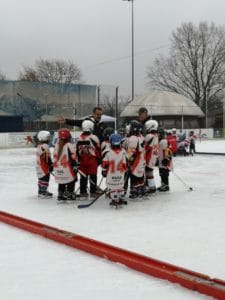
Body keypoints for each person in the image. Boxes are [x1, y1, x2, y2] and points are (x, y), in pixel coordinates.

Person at [76, 120, 101, 198]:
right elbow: (98, 149)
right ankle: (93, 191)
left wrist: (78, 161)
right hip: (92, 160)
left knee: (83, 177)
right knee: (93, 176)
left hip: (82, 160)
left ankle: (83, 192)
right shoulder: (94, 137)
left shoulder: (79, 138)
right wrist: (99, 160)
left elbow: (76, 151)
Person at [101, 133, 128, 207]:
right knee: (120, 186)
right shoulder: (123, 152)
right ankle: (121, 196)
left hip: (111, 175)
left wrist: (103, 170)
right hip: (120, 175)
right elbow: (125, 165)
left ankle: (114, 198)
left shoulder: (107, 152)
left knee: (112, 187)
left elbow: (104, 164)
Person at [53, 128, 78, 201]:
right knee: (72, 180)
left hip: (58, 170)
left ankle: (60, 194)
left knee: (61, 181)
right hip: (67, 169)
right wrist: (75, 166)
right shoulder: (69, 145)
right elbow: (73, 158)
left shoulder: (56, 145)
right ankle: (69, 194)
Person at [125, 120, 146, 198]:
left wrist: (129, 161)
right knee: (140, 176)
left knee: (134, 176)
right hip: (142, 159)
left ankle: (135, 190)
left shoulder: (133, 138)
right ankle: (141, 189)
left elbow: (131, 152)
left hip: (136, 161)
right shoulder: (141, 137)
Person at [35, 130, 53, 198]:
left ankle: (40, 191)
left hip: (39, 166)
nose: (49, 139)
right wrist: (50, 165)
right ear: (44, 138)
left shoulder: (39, 145)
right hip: (43, 166)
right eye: (48, 137)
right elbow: (46, 157)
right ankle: (43, 192)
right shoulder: (45, 146)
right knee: (45, 178)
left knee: (41, 178)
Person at [144, 120, 159, 194]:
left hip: (149, 157)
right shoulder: (156, 135)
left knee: (148, 172)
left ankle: (151, 187)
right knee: (150, 172)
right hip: (154, 157)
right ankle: (151, 186)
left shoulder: (149, 136)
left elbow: (145, 146)